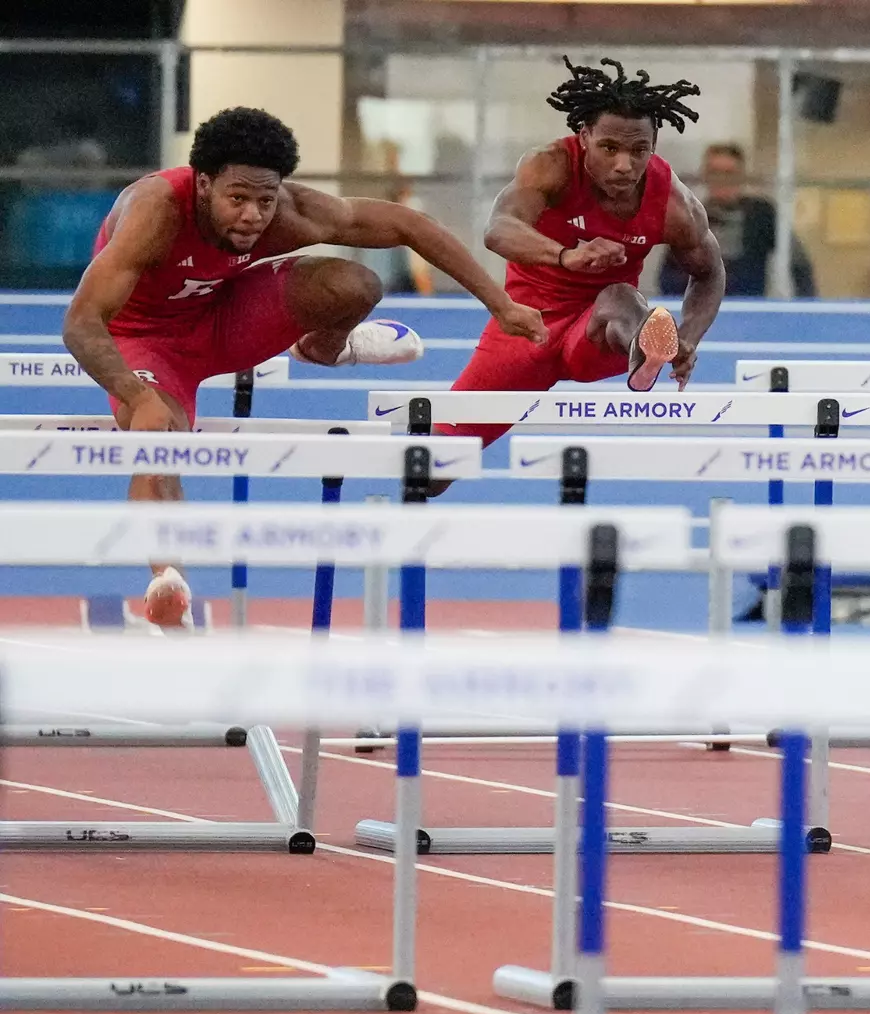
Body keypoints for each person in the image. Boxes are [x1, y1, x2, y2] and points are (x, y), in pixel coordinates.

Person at [63, 105, 546, 628]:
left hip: (223, 319)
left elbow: (410, 225)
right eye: (238, 199)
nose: (252, 216)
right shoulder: (156, 212)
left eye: (264, 201)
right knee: (159, 432)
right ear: (203, 184)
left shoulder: (290, 213)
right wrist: (136, 394)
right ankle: (167, 579)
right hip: (144, 338)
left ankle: (324, 347)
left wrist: (500, 304)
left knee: (355, 284)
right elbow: (82, 321)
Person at [433, 56, 725, 451]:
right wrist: (565, 255)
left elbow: (709, 271)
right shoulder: (550, 166)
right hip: (526, 324)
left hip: (599, 333)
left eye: (639, 151)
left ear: (653, 146)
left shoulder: (673, 204)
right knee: (437, 458)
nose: (625, 165)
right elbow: (498, 229)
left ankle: (648, 348)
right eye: (609, 147)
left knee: (620, 297)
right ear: (584, 135)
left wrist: (689, 337)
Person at [657, 143, 816, 298]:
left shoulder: (761, 213)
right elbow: (667, 277)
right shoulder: (690, 218)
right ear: (704, 176)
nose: (721, 180)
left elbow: (798, 262)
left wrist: (805, 310)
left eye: (729, 173)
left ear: (741, 176)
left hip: (747, 310)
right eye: (714, 172)